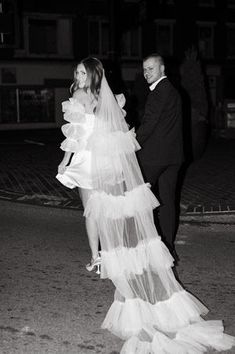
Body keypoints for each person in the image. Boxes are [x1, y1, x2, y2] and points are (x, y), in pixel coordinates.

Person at [56, 56, 235, 353]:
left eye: (82, 72)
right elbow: (117, 132)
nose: (78, 76)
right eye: (76, 72)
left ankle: (98, 256)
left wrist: (63, 162)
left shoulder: (78, 96)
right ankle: (108, 254)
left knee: (93, 211)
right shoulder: (108, 98)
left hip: (90, 161)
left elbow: (75, 137)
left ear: (90, 76)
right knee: (111, 212)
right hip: (112, 163)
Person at [136, 53, 184, 263]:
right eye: (145, 69)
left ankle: (145, 248)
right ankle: (168, 249)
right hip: (173, 157)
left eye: (151, 69)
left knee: (138, 200)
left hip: (154, 158)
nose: (146, 73)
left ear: (162, 69)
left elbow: (149, 124)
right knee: (167, 202)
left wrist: (132, 142)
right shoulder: (173, 91)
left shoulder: (158, 92)